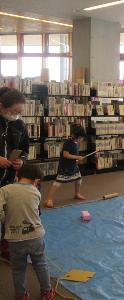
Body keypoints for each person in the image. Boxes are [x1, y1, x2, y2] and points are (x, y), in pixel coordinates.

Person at [0, 164, 56, 300]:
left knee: (18, 268)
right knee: (41, 264)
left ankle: (21, 295)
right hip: (35, 236)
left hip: (14, 238)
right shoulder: (36, 192)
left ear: (17, 176)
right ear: (35, 180)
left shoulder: (4, 190)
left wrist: (6, 220)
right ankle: (47, 292)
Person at [0, 87, 29, 261]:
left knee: (8, 212)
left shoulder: (19, 124)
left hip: (9, 178)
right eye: (13, 111)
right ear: (2, 105)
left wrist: (21, 161)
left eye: (19, 112)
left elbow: (25, 149)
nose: (16, 115)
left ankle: (5, 244)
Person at [45, 124, 86, 208]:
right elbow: (65, 155)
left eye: (82, 138)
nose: (81, 139)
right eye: (80, 138)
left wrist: (77, 159)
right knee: (58, 183)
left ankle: (77, 194)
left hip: (73, 165)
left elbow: (74, 154)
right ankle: (49, 199)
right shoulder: (68, 143)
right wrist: (77, 157)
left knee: (78, 180)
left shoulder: (77, 143)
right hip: (65, 166)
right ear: (74, 135)